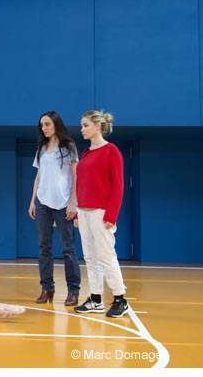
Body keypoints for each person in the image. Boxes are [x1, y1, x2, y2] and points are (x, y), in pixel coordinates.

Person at [73, 110, 128, 318]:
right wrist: (77, 212)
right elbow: (81, 184)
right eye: (81, 126)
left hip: (101, 212)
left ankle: (120, 299)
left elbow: (118, 186)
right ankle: (95, 299)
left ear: (98, 126)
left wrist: (111, 215)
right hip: (84, 212)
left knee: (106, 256)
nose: (82, 129)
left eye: (85, 125)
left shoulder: (111, 150)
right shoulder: (86, 152)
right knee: (90, 257)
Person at [28, 111, 82, 306]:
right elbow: (39, 176)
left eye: (47, 124)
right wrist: (33, 201)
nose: (44, 128)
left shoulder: (69, 147)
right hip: (43, 203)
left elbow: (76, 176)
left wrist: (73, 202)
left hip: (63, 203)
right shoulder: (41, 148)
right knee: (44, 248)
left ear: (56, 124)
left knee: (68, 249)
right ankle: (47, 288)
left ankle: (73, 290)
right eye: (41, 125)